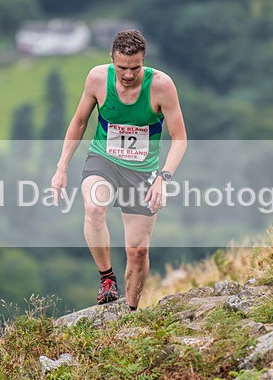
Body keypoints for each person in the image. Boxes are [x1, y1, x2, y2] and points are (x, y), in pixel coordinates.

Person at [51, 29, 187, 310]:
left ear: (144, 61)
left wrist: (163, 178)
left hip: (143, 172)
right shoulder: (98, 78)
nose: (127, 75)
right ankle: (107, 278)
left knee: (138, 251)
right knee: (94, 208)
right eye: (122, 68)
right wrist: (61, 167)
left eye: (135, 68)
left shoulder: (161, 86)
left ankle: (131, 311)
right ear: (111, 59)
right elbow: (78, 123)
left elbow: (180, 139)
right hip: (104, 160)